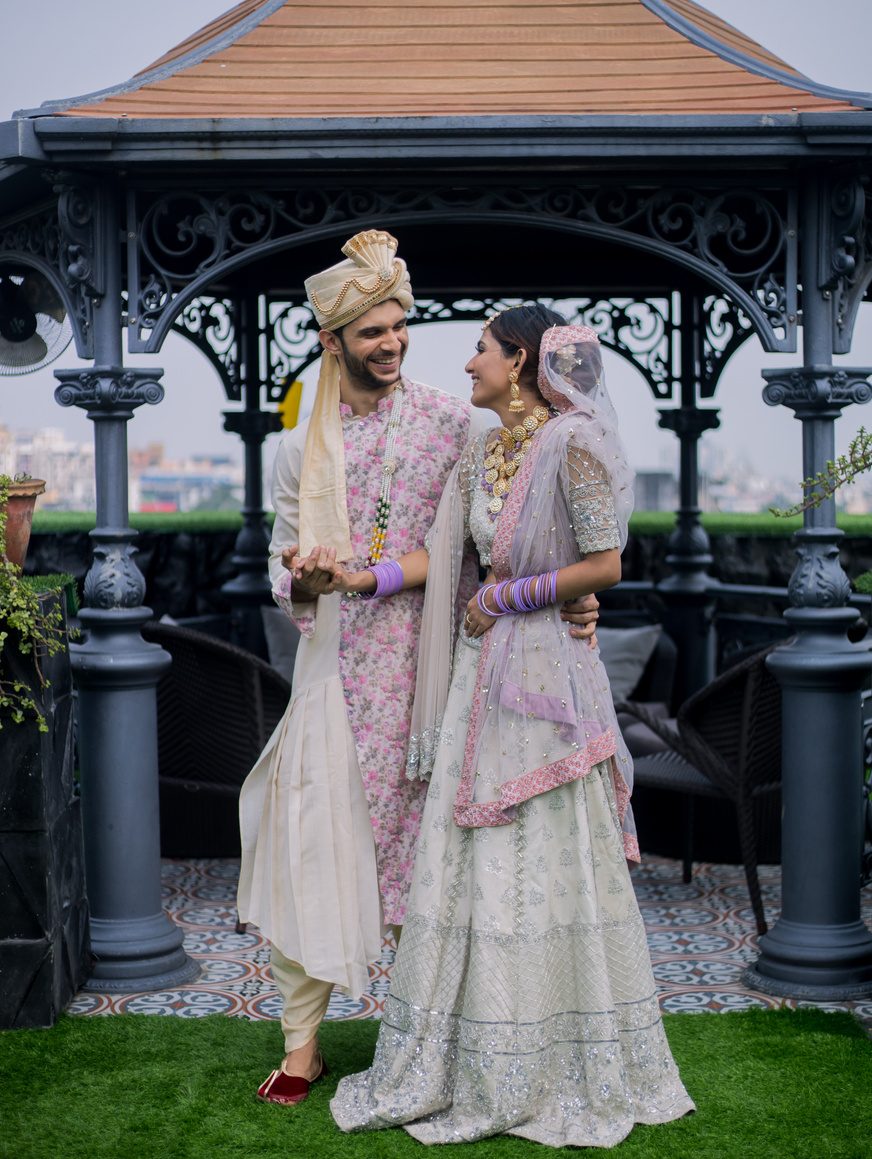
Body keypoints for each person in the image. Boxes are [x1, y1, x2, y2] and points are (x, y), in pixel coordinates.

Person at [236, 233, 599, 1106]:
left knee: (430, 862)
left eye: (399, 326)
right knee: (308, 845)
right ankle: (302, 1044)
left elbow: (501, 533)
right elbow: (284, 561)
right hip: (333, 671)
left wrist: (577, 595)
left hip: (438, 670)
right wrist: (307, 576)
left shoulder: (455, 423)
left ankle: (427, 1041)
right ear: (333, 343)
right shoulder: (298, 451)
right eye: (372, 332)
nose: (392, 343)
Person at [325, 306, 695, 1147]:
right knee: (475, 864)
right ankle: (472, 1055)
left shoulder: (575, 443)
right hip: (481, 683)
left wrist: (513, 596)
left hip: (549, 688)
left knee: (547, 861)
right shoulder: (481, 448)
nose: (467, 364)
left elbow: (604, 563)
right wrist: (364, 577)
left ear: (520, 359)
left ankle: (558, 1055)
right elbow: (441, 551)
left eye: (482, 349)